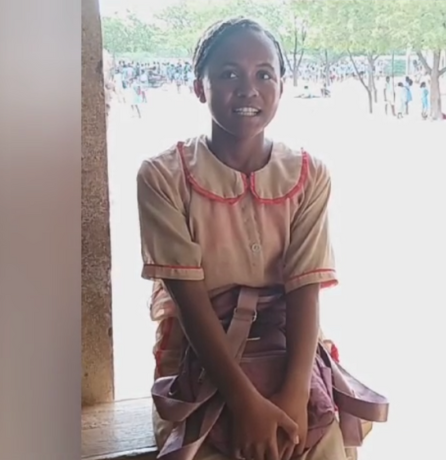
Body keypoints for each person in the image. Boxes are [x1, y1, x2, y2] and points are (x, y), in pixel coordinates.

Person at [136, 17, 384, 460]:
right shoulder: (163, 176)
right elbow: (189, 303)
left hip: (292, 352)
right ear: (199, 87)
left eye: (263, 74)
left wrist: (292, 398)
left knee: (317, 440)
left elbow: (305, 290)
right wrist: (247, 404)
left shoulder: (308, 174)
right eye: (228, 74)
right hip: (200, 356)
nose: (248, 88)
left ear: (281, 87)